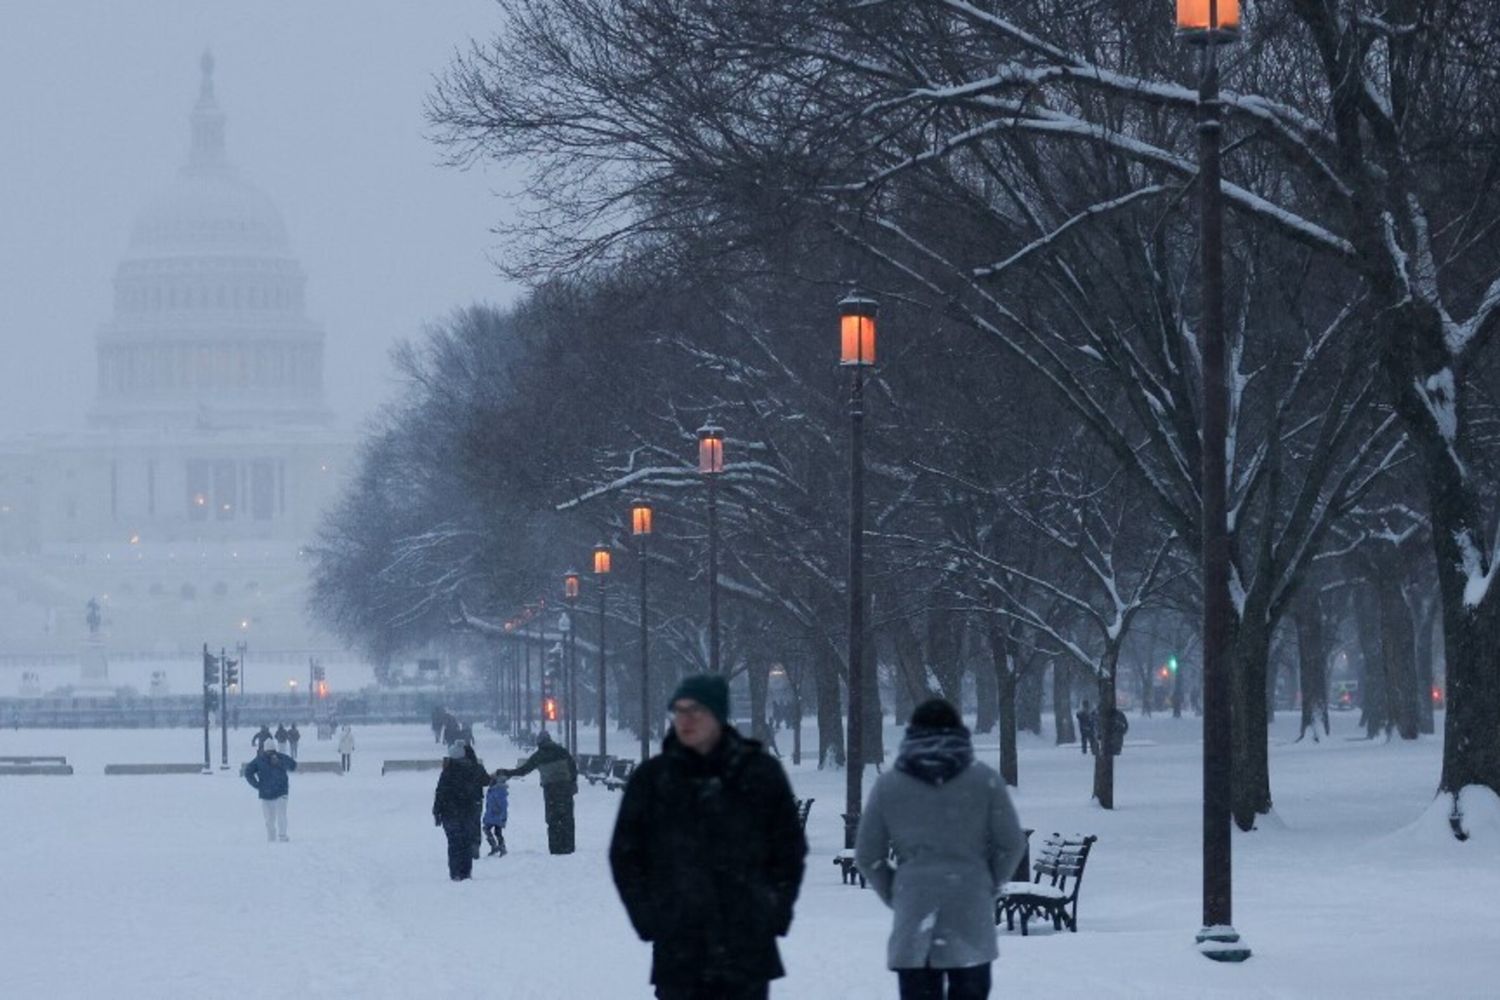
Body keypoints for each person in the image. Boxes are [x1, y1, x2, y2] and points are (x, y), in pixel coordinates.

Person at [609, 674, 807, 1000]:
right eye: (679, 711)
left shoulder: (759, 773)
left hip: (746, 944)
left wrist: (774, 909)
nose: (685, 720)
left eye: (695, 710)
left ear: (717, 714)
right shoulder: (653, 779)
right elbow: (626, 854)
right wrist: (649, 917)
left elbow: (789, 849)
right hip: (679, 945)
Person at [855, 698, 1026, 1000]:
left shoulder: (889, 786)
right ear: (959, 733)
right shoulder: (984, 780)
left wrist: (896, 892)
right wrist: (989, 883)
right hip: (970, 905)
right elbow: (1012, 844)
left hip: (915, 907)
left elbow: (869, 856)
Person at [501, 731, 577, 855]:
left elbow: (523, 770)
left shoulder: (539, 755)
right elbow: (573, 767)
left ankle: (556, 847)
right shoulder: (562, 751)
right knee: (567, 817)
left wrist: (508, 773)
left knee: (552, 819)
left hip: (550, 789)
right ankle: (569, 846)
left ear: (539, 742)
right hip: (565, 787)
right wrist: (573, 782)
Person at [432, 740, 491, 881]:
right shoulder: (475, 768)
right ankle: (466, 871)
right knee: (465, 842)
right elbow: (486, 781)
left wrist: (437, 811)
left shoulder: (448, 771)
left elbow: (440, 792)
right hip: (469, 810)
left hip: (449, 812)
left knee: (453, 843)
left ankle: (455, 872)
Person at [243, 745, 298, 843]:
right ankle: (282, 836)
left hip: (266, 794)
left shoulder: (260, 760)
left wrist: (257, 785)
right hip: (281, 792)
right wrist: (281, 763)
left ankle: (271, 837)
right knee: (282, 815)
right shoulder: (281, 757)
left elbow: (248, 772)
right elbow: (293, 766)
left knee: (269, 818)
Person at [483, 772, 510, 857]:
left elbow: (503, 805)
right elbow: (488, 805)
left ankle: (502, 847)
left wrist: (503, 816)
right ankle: (495, 846)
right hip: (491, 815)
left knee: (497, 832)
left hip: (497, 815)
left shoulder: (499, 791)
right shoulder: (492, 790)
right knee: (487, 830)